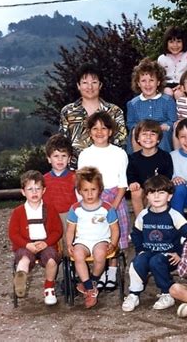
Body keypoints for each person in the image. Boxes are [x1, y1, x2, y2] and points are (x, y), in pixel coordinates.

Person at [121, 175, 187, 312]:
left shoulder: (174, 216)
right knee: (138, 261)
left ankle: (167, 293)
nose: (157, 196)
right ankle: (134, 294)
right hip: (149, 252)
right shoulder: (143, 215)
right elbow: (136, 234)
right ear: (146, 196)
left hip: (169, 257)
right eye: (152, 192)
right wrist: (140, 249)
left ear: (169, 196)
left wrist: (180, 254)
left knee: (156, 261)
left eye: (161, 192)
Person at [77, 112, 129, 290]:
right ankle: (100, 272)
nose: (100, 132)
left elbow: (122, 183)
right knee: (98, 234)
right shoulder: (85, 154)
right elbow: (81, 182)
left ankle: (112, 272)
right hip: (91, 199)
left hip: (114, 198)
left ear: (110, 131)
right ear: (89, 132)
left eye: (104, 128)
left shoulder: (119, 153)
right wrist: (84, 206)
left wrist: (112, 206)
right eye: (95, 128)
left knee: (113, 235)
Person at [66, 167, 120, 309]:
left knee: (100, 253)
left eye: (93, 189)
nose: (90, 194)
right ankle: (90, 288)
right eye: (85, 190)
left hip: (101, 240)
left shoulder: (107, 208)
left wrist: (113, 244)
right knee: (77, 254)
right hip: (82, 241)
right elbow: (70, 229)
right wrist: (69, 244)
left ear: (100, 189)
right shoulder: (75, 208)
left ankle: (93, 280)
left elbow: (115, 229)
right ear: (79, 191)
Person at [9, 170, 63, 305]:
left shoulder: (50, 209)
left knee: (51, 260)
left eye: (38, 189)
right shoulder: (18, 212)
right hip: (26, 245)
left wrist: (46, 243)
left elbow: (57, 231)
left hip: (46, 244)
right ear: (23, 192)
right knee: (24, 259)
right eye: (30, 189)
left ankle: (49, 288)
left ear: (43, 190)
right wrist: (27, 245)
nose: (34, 192)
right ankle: (21, 278)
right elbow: (13, 234)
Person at [59, 63, 127, 169]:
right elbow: (63, 144)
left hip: (109, 170)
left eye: (94, 82)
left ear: (100, 85)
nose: (90, 87)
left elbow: (121, 142)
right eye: (85, 83)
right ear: (78, 85)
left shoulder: (114, 111)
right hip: (76, 172)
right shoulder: (68, 112)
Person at [126, 58, 177, 154]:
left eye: (151, 80)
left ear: (158, 82)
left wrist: (167, 126)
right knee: (135, 133)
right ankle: (137, 162)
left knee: (161, 134)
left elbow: (173, 121)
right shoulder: (132, 104)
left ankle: (163, 163)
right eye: (143, 81)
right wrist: (140, 128)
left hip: (162, 132)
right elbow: (130, 123)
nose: (148, 84)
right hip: (142, 132)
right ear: (138, 83)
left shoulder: (168, 101)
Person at [127, 120, 174, 218]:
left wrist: (153, 188)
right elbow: (131, 174)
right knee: (135, 192)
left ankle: (152, 219)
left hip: (158, 189)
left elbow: (167, 176)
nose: (148, 137)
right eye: (144, 134)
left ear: (158, 139)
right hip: (141, 190)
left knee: (154, 193)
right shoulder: (133, 158)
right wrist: (133, 182)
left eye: (152, 134)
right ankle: (140, 222)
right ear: (138, 139)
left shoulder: (165, 156)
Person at [43, 133, 77, 254]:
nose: (60, 159)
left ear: (69, 158)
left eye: (63, 156)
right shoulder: (43, 180)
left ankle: (72, 264)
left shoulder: (75, 177)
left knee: (70, 245)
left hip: (70, 215)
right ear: (49, 158)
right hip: (51, 215)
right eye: (56, 156)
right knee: (53, 247)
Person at [157, 26, 187, 100]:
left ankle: (184, 111)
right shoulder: (162, 58)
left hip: (185, 85)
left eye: (178, 41)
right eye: (171, 42)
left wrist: (183, 84)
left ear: (183, 42)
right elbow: (158, 77)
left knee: (178, 94)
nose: (175, 45)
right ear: (166, 43)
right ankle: (168, 111)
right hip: (167, 85)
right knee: (167, 92)